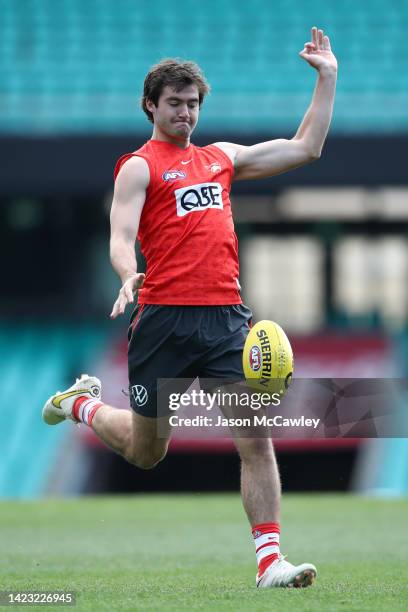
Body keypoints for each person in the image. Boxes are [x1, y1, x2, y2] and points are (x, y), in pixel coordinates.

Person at [43, 27, 337, 588]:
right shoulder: (138, 166)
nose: (185, 113)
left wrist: (327, 79)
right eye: (174, 103)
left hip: (227, 319)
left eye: (193, 103)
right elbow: (120, 234)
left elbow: (306, 148)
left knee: (255, 440)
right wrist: (129, 274)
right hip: (163, 322)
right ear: (151, 105)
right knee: (146, 452)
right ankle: (82, 405)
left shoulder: (221, 159)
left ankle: (270, 561)